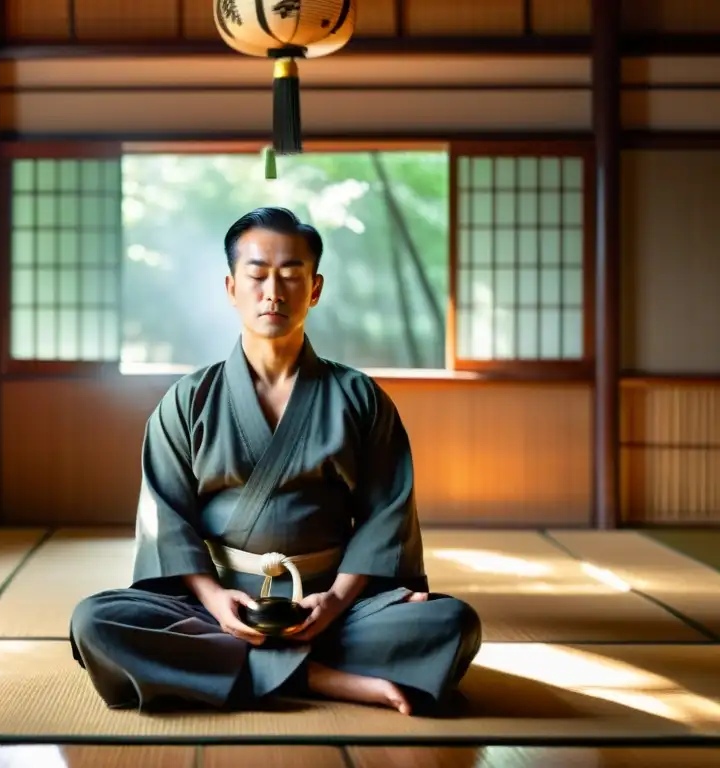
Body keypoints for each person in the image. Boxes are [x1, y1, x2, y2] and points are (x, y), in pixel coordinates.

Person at [69, 206, 481, 717]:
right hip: (212, 607)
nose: (273, 291)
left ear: (315, 288)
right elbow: (166, 522)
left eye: (291, 275)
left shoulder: (358, 398)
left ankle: (243, 671)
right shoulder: (189, 399)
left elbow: (385, 519)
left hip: (330, 604)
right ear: (230, 287)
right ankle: (317, 676)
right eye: (257, 274)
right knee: (96, 621)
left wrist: (332, 604)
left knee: (453, 623)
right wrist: (217, 602)